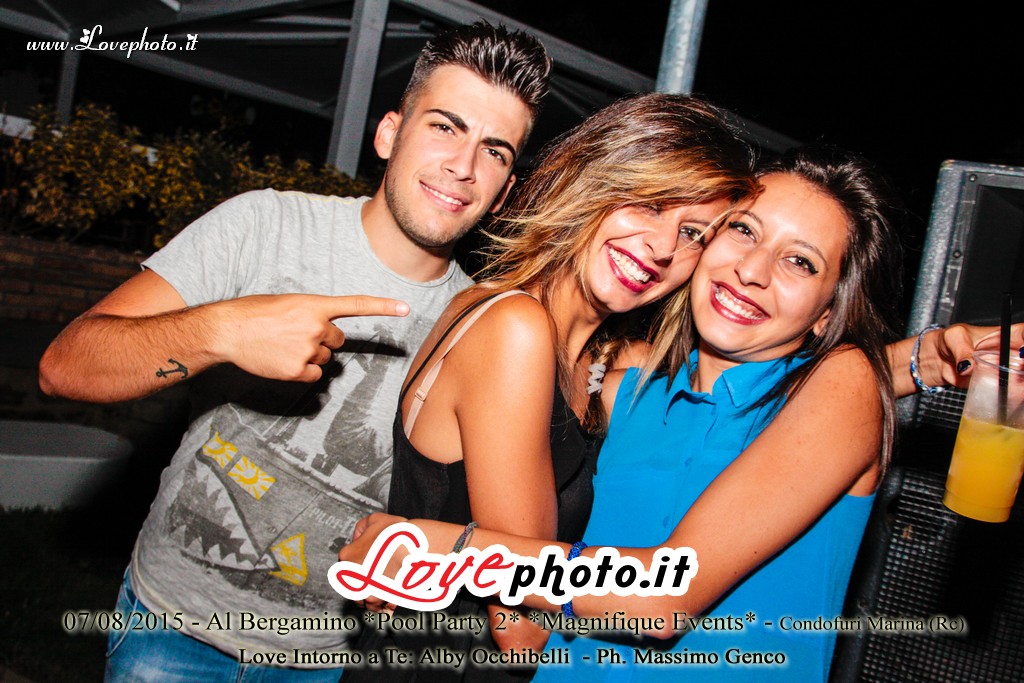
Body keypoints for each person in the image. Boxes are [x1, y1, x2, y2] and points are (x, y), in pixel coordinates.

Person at [339, 143, 1011, 681]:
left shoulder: (845, 383)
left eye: (800, 263)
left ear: (827, 312)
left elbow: (663, 599)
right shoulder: (629, 389)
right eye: (742, 230)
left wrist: (446, 548)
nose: (753, 270)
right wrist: (922, 359)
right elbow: (531, 379)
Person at [37, 22, 552, 682]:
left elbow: (498, 547)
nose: (464, 165)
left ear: (504, 192)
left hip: (323, 661)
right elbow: (65, 366)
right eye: (444, 127)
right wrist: (224, 330)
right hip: (168, 629)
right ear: (389, 133)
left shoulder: (485, 328)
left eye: (495, 151)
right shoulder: (265, 225)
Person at [342, 92, 760, 683]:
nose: (664, 247)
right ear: (592, 183)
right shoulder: (513, 328)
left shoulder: (593, 354)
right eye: (649, 203)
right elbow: (522, 630)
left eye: (692, 231)